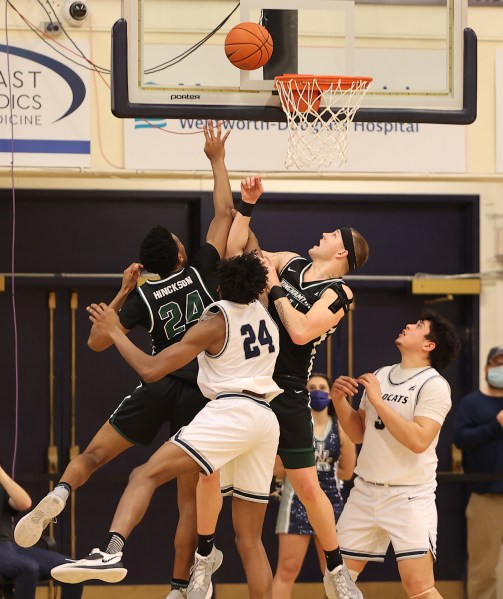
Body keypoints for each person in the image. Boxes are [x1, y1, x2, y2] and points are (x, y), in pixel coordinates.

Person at [14, 121, 233, 599]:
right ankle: (180, 586)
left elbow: (97, 342)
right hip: (201, 393)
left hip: (157, 384)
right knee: (187, 501)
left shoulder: (142, 297)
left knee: (93, 454)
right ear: (180, 252)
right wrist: (216, 159)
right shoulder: (201, 271)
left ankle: (60, 493)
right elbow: (225, 211)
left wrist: (120, 293)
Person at [51, 252, 282, 599]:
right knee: (250, 540)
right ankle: (202, 561)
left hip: (231, 411)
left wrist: (114, 331)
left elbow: (150, 370)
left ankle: (110, 552)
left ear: (219, 287)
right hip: (265, 418)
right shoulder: (265, 310)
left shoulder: (215, 323)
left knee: (144, 475)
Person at [225, 177, 370, 599]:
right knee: (208, 471)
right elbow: (236, 251)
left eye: (332, 234)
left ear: (341, 252)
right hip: (248, 379)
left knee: (307, 486)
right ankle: (202, 556)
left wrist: (272, 288)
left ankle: (337, 569)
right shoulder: (288, 261)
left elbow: (302, 331)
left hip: (287, 387)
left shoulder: (339, 292)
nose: (323, 233)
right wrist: (247, 205)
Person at [330, 311, 461, 599]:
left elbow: (419, 440)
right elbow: (358, 433)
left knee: (420, 587)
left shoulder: (434, 385)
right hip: (365, 492)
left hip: (409, 496)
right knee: (337, 583)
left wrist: (378, 401)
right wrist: (338, 401)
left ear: (429, 345)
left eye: (419, 326)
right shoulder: (381, 374)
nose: (409, 325)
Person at [273, 372, 356, 598]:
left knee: (334, 572)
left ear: (330, 395)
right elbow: (277, 469)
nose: (317, 392)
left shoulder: (340, 428)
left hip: (330, 502)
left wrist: (320, 473)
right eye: (311, 388)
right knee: (287, 568)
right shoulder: (293, 426)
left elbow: (347, 471)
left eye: (322, 388)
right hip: (295, 501)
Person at [453, 345, 503, 599]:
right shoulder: (472, 403)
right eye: (497, 363)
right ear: (486, 368)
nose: (501, 369)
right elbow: (461, 439)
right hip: (486, 498)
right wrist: (496, 425)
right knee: (483, 570)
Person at [0, 465, 84, 599]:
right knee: (28, 568)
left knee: (75, 569)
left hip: (10, 546)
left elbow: (24, 503)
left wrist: (2, 474)